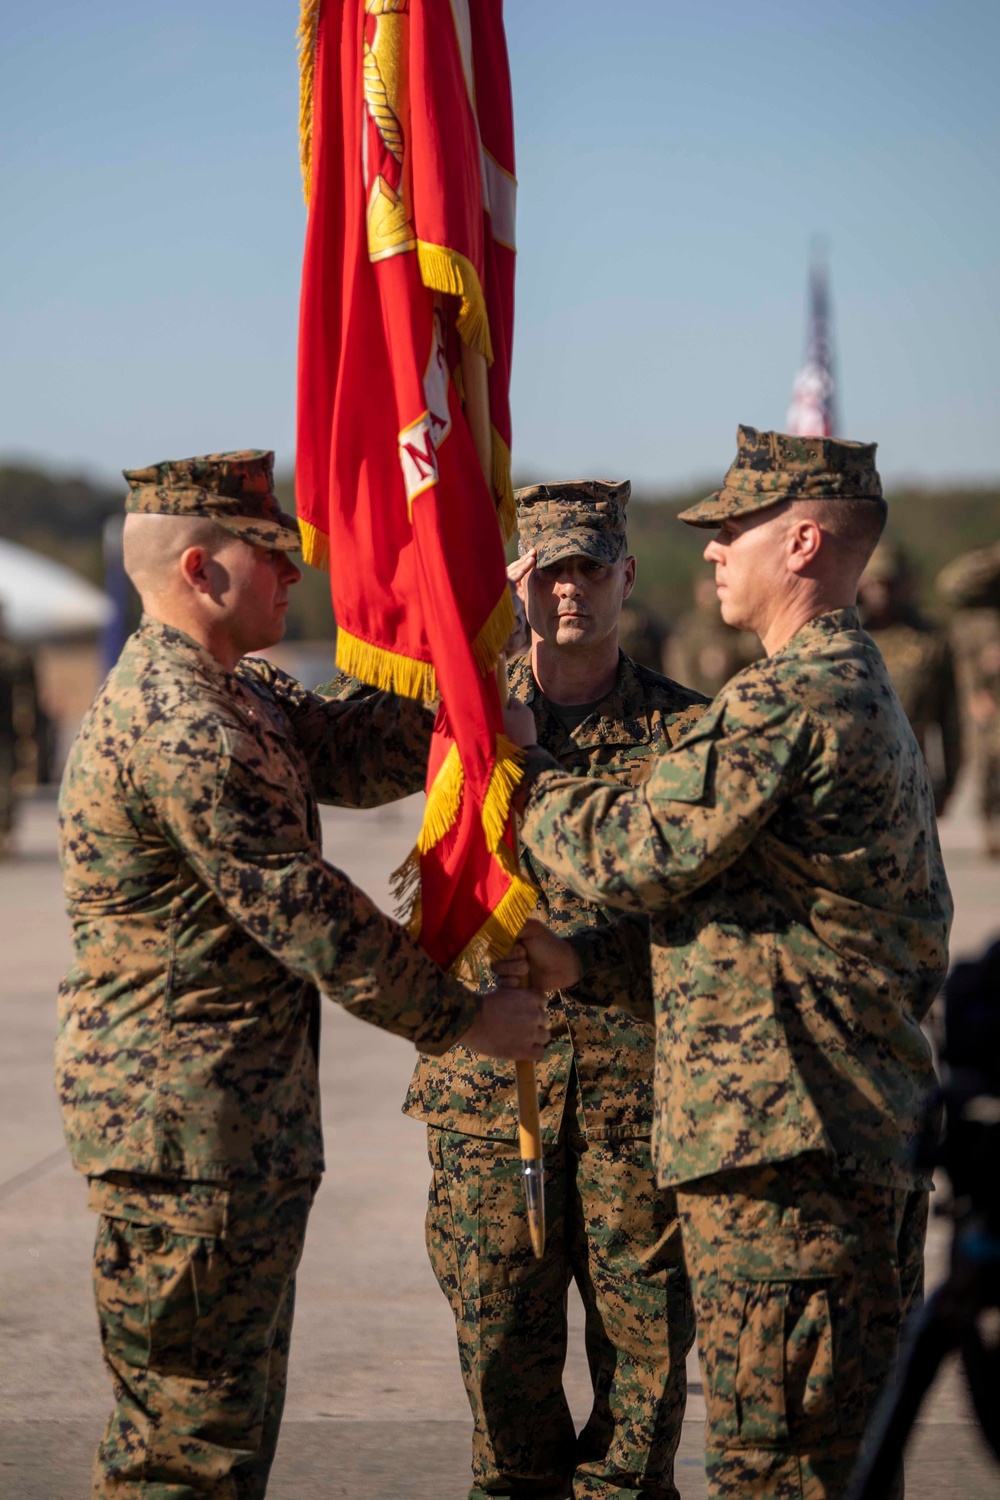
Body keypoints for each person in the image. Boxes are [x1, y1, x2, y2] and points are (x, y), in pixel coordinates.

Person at [55, 450, 548, 1500]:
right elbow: (301, 905)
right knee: (186, 1448)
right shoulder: (180, 721)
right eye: (270, 555)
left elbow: (356, 747)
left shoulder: (233, 693)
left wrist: (470, 663)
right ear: (200, 568)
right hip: (184, 1132)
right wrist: (461, 1020)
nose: (294, 574)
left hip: (230, 1129)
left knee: (222, 1431)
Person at [500, 427, 953, 1499]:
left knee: (778, 1470)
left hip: (789, 1155)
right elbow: (738, 902)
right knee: (830, 1462)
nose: (706, 552)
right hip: (829, 1131)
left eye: (729, 531)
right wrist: (579, 959)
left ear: (799, 543)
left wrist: (513, 766)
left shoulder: (790, 695)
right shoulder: (838, 680)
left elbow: (631, 851)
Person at [395, 479, 704, 1500]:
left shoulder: (686, 734)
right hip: (492, 1096)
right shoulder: (460, 729)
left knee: (645, 1374)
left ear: (625, 576)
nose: (570, 590)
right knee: (501, 1379)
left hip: (635, 1098)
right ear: (521, 581)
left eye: (590, 568)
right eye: (549, 569)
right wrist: (472, 683)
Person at [857, 541, 962, 815]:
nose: (881, 593)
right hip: (849, 783)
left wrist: (947, 784)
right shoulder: (845, 639)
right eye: (874, 583)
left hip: (908, 784)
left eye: (889, 583)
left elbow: (950, 719)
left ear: (905, 584)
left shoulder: (930, 640)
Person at [937, 543, 1000, 855]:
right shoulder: (978, 614)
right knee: (989, 763)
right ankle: (992, 828)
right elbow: (953, 583)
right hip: (987, 696)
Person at [666, 573, 762, 696]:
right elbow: (680, 675)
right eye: (707, 593)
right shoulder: (686, 633)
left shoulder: (741, 628)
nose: (712, 599)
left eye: (715, 592)